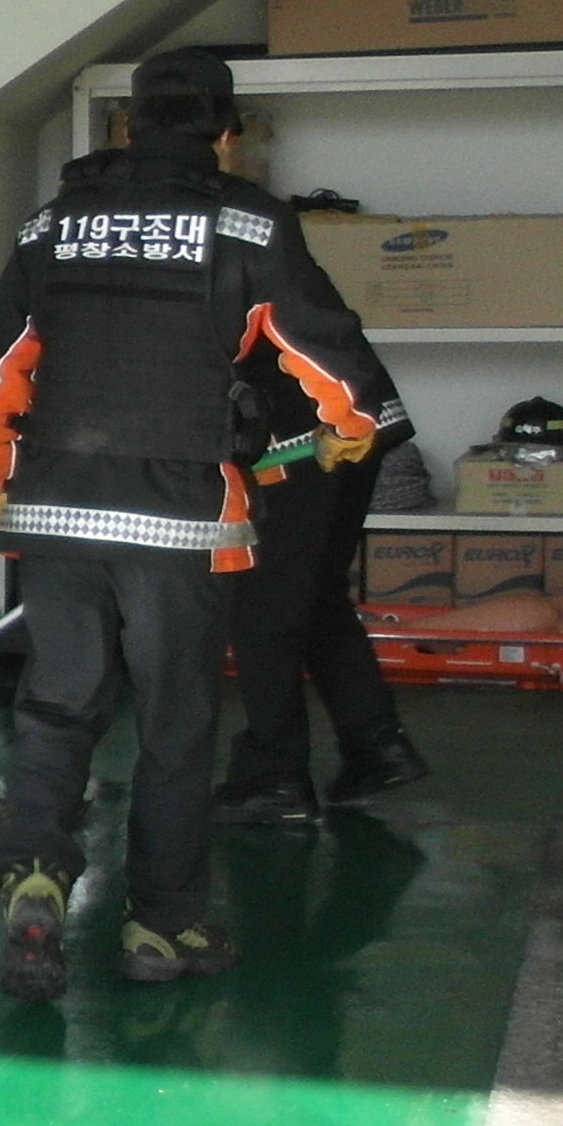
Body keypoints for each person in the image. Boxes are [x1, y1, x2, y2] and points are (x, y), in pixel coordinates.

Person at [0, 44, 379, 1000]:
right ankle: (160, 923)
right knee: (175, 721)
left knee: (59, 704)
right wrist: (347, 427)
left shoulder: (51, 223)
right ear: (225, 133)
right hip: (180, 518)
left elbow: (4, 365)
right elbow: (322, 343)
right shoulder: (247, 222)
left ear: (127, 124)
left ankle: (38, 872)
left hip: (56, 506)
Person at [212, 141, 430, 827]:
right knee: (314, 596)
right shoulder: (247, 216)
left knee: (264, 609)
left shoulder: (217, 223)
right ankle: (377, 747)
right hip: (357, 422)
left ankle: (276, 777)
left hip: (310, 436)